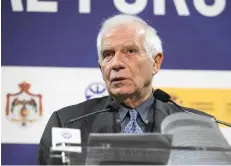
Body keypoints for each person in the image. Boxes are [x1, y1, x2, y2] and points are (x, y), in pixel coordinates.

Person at [37, 14, 213, 165]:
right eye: (108, 54)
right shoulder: (67, 124)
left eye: (130, 51)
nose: (116, 64)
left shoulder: (197, 126)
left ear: (156, 62)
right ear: (101, 68)